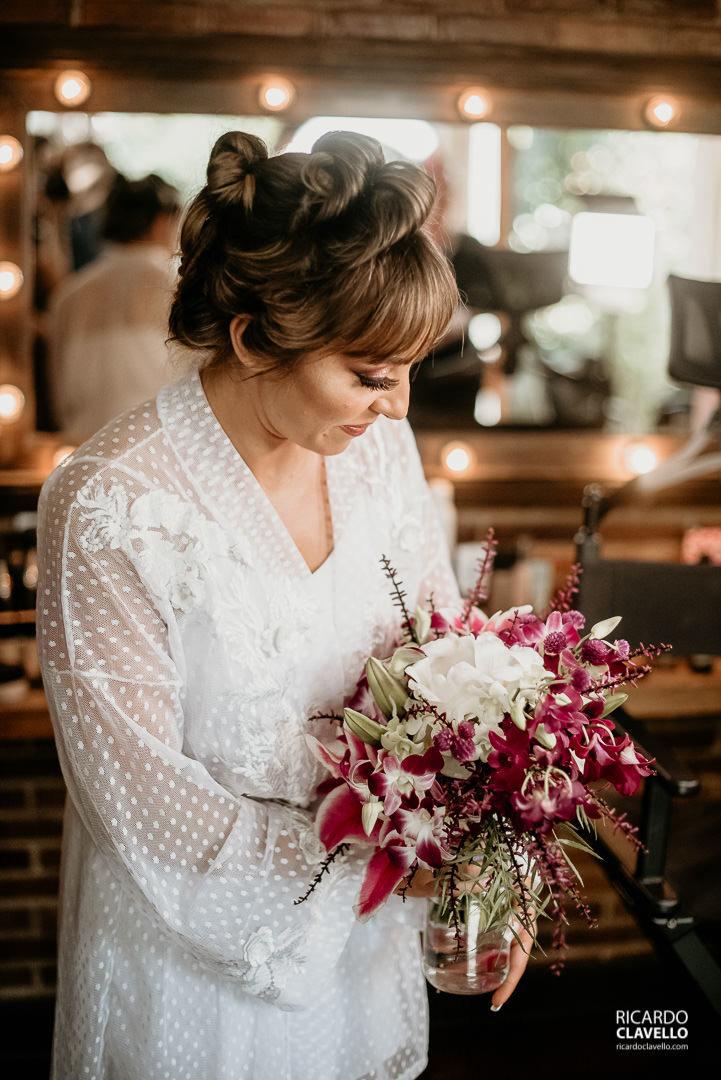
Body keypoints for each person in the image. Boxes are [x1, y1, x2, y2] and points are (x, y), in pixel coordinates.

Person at [37, 130, 531, 1080]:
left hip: (368, 941)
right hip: (188, 953)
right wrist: (370, 875)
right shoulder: (106, 503)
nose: (394, 408)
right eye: (370, 375)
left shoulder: (378, 450)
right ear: (255, 336)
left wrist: (480, 856)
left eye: (408, 371)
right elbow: (142, 800)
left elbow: (440, 657)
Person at [47, 172, 180, 438]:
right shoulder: (179, 285)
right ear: (162, 221)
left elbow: (58, 397)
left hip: (82, 443)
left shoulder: (69, 295)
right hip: (159, 447)